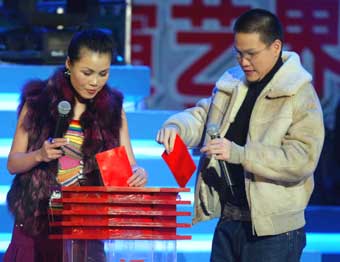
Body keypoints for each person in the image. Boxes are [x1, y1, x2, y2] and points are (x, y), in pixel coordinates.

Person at [156, 8, 324, 262]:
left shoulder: (299, 93)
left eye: (252, 54)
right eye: (239, 53)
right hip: (229, 220)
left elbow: (302, 158)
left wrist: (241, 154)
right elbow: (203, 116)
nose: (244, 62)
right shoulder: (233, 82)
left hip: (274, 232)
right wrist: (176, 127)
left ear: (275, 47)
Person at [4, 29, 148, 262]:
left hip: (86, 225)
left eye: (103, 74)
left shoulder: (112, 110)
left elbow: (129, 165)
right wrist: (40, 154)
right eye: (87, 72)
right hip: (37, 222)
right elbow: (13, 163)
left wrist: (138, 174)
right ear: (69, 64)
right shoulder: (38, 102)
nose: (95, 82)